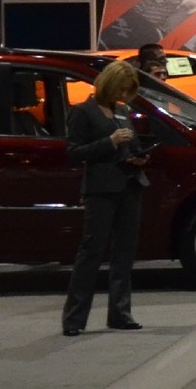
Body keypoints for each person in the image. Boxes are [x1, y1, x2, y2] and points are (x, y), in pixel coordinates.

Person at [63, 59, 151, 336]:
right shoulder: (83, 112)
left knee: (124, 254)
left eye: (129, 91)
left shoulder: (123, 111)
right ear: (110, 84)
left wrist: (140, 156)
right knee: (91, 253)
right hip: (100, 190)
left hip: (129, 186)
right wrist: (109, 142)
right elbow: (74, 152)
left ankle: (120, 314)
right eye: (122, 90)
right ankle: (74, 320)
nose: (124, 97)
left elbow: (132, 145)